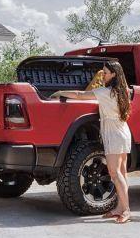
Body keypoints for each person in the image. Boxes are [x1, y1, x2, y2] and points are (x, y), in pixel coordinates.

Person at [50, 61, 132, 224]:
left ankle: (126, 210)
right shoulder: (123, 91)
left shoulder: (106, 92)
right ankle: (119, 208)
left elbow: (80, 95)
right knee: (122, 172)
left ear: (114, 74)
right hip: (123, 131)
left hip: (114, 134)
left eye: (106, 73)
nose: (103, 75)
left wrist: (60, 92)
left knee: (114, 173)